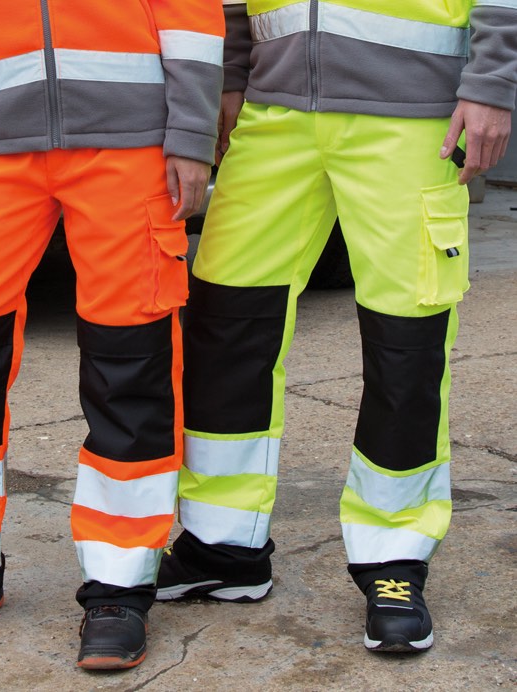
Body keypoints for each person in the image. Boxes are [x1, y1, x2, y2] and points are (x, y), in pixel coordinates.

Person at [156, 0, 517, 653]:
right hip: (274, 114)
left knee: (405, 340)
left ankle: (394, 556)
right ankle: (222, 546)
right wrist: (231, 75)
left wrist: (492, 84)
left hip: (411, 120)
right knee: (225, 323)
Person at [0, 0, 224, 670]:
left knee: (131, 362)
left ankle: (120, 585)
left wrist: (190, 133)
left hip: (129, 146)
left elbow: (190, 15)